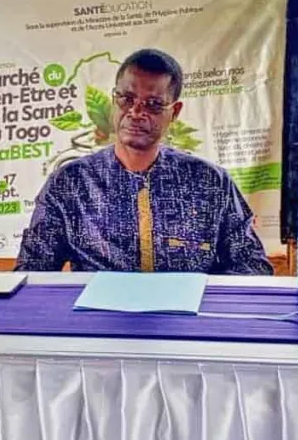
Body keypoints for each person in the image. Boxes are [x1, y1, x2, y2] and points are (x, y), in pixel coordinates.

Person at [15, 48, 273, 274]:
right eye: (126, 99)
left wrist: (202, 300)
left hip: (187, 320)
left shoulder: (210, 182)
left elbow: (251, 264)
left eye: (153, 104)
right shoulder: (71, 183)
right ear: (113, 101)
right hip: (97, 323)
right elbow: (33, 269)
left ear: (175, 112)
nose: (136, 113)